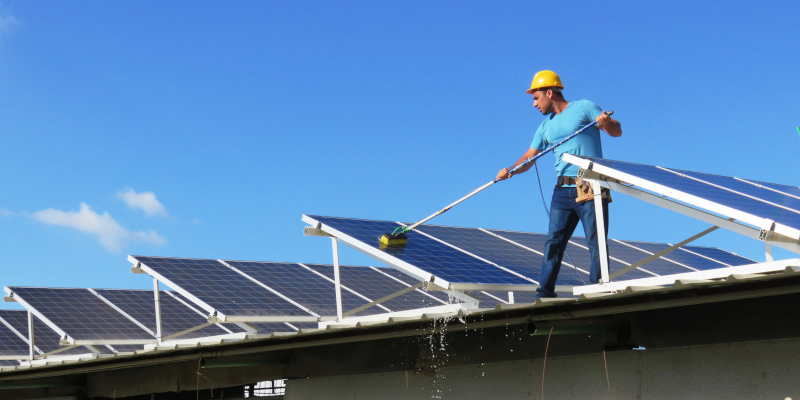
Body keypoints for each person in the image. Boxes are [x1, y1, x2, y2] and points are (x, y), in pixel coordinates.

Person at [496, 70, 622, 298]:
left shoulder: (583, 107)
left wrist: (605, 122)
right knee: (553, 242)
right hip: (562, 190)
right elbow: (529, 158)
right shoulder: (545, 127)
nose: (534, 104)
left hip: (589, 183)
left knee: (596, 242)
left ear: (549, 92)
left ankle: (597, 292)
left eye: (536, 98)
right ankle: (544, 294)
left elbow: (616, 131)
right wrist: (510, 170)